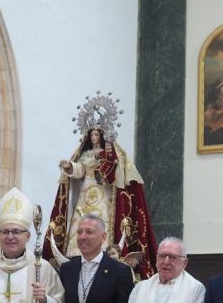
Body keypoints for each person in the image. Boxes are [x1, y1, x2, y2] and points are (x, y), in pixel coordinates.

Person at [44, 93, 157, 279]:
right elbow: (80, 171)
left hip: (104, 195)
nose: (94, 137)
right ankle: (76, 251)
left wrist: (106, 162)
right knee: (81, 223)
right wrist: (69, 167)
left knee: (101, 220)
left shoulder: (112, 153)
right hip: (86, 193)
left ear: (103, 135)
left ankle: (104, 247)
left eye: (97, 134)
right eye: (92, 134)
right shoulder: (85, 154)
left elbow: (116, 175)